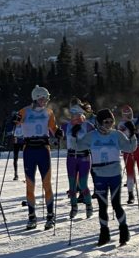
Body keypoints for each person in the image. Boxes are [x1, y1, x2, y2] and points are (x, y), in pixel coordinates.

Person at [79, 109, 138, 245]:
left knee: (116, 204)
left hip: (114, 173)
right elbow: (78, 146)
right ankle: (104, 234)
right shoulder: (92, 136)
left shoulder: (117, 135)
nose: (109, 124)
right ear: (99, 122)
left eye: (112, 122)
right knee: (102, 205)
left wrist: (132, 134)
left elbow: (130, 148)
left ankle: (124, 231)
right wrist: (75, 134)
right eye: (106, 122)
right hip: (99, 174)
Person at [17, 86, 58, 230]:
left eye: (46, 98)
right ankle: (32, 217)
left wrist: (58, 133)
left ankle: (50, 216)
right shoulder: (24, 111)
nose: (45, 101)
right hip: (29, 149)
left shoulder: (49, 112)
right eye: (42, 98)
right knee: (30, 184)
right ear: (36, 98)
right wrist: (13, 121)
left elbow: (54, 128)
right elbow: (14, 125)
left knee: (47, 183)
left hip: (43, 149)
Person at [63, 104, 95, 220]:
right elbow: (58, 134)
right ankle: (74, 207)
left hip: (84, 157)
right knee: (72, 186)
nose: (74, 117)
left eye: (77, 115)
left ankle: (89, 206)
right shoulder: (67, 126)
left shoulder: (88, 126)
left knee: (83, 184)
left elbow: (96, 137)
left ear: (82, 115)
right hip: (71, 157)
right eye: (73, 115)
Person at [119, 105, 139, 204]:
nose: (128, 116)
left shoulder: (137, 120)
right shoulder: (121, 124)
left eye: (129, 114)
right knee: (130, 173)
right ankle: (131, 195)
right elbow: (122, 135)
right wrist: (131, 131)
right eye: (125, 115)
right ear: (122, 115)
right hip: (128, 150)